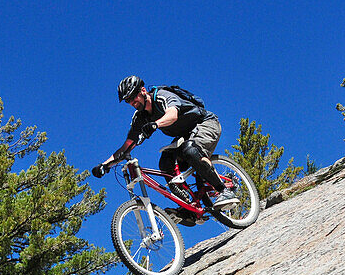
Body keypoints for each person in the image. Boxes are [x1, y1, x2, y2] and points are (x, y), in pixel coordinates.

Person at [91, 76, 238, 210]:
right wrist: (105, 165)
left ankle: (225, 190)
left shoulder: (161, 96)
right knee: (166, 162)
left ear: (143, 91)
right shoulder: (140, 118)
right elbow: (127, 146)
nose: (132, 102)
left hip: (206, 123)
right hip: (185, 136)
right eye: (128, 100)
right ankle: (189, 207)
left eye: (133, 97)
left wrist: (155, 124)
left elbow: (172, 115)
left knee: (190, 150)